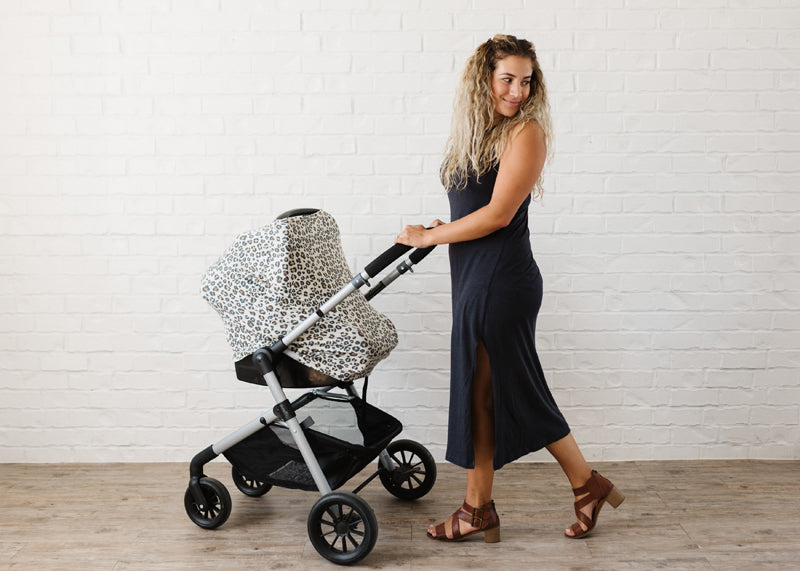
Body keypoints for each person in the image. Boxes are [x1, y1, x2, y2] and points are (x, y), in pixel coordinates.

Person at [395, 34, 624, 543]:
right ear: (484, 79)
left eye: (526, 81)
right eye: (507, 79)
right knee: (492, 394)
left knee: (492, 393)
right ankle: (583, 486)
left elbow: (499, 215)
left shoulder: (526, 133)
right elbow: (475, 207)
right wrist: (446, 227)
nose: (518, 91)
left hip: (502, 281)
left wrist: (430, 237)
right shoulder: (480, 132)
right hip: (477, 278)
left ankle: (481, 509)